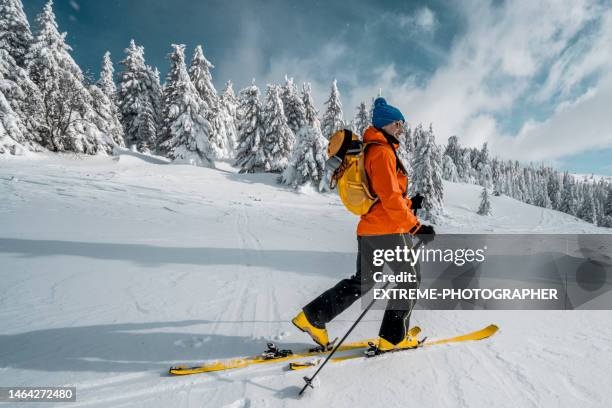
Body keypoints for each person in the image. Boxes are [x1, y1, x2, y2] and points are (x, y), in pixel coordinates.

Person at [292, 97, 435, 351]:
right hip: (389, 230)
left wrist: (410, 203)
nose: (401, 129)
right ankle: (394, 337)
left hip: (370, 229)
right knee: (409, 279)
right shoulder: (381, 151)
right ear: (385, 124)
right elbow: (390, 198)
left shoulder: (371, 149)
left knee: (364, 281)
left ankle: (313, 317)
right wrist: (416, 227)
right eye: (397, 124)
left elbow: (380, 196)